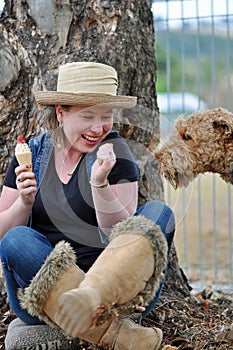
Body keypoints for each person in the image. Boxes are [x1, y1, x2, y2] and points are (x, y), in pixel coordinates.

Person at [0, 62, 175, 350]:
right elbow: (3, 238)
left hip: (113, 293)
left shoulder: (115, 152)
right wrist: (24, 202)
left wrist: (100, 185)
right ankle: (116, 334)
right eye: (88, 115)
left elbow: (121, 238)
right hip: (46, 291)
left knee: (159, 214)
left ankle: (88, 311)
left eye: (106, 115)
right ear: (61, 113)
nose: (98, 127)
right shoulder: (30, 154)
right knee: (17, 240)